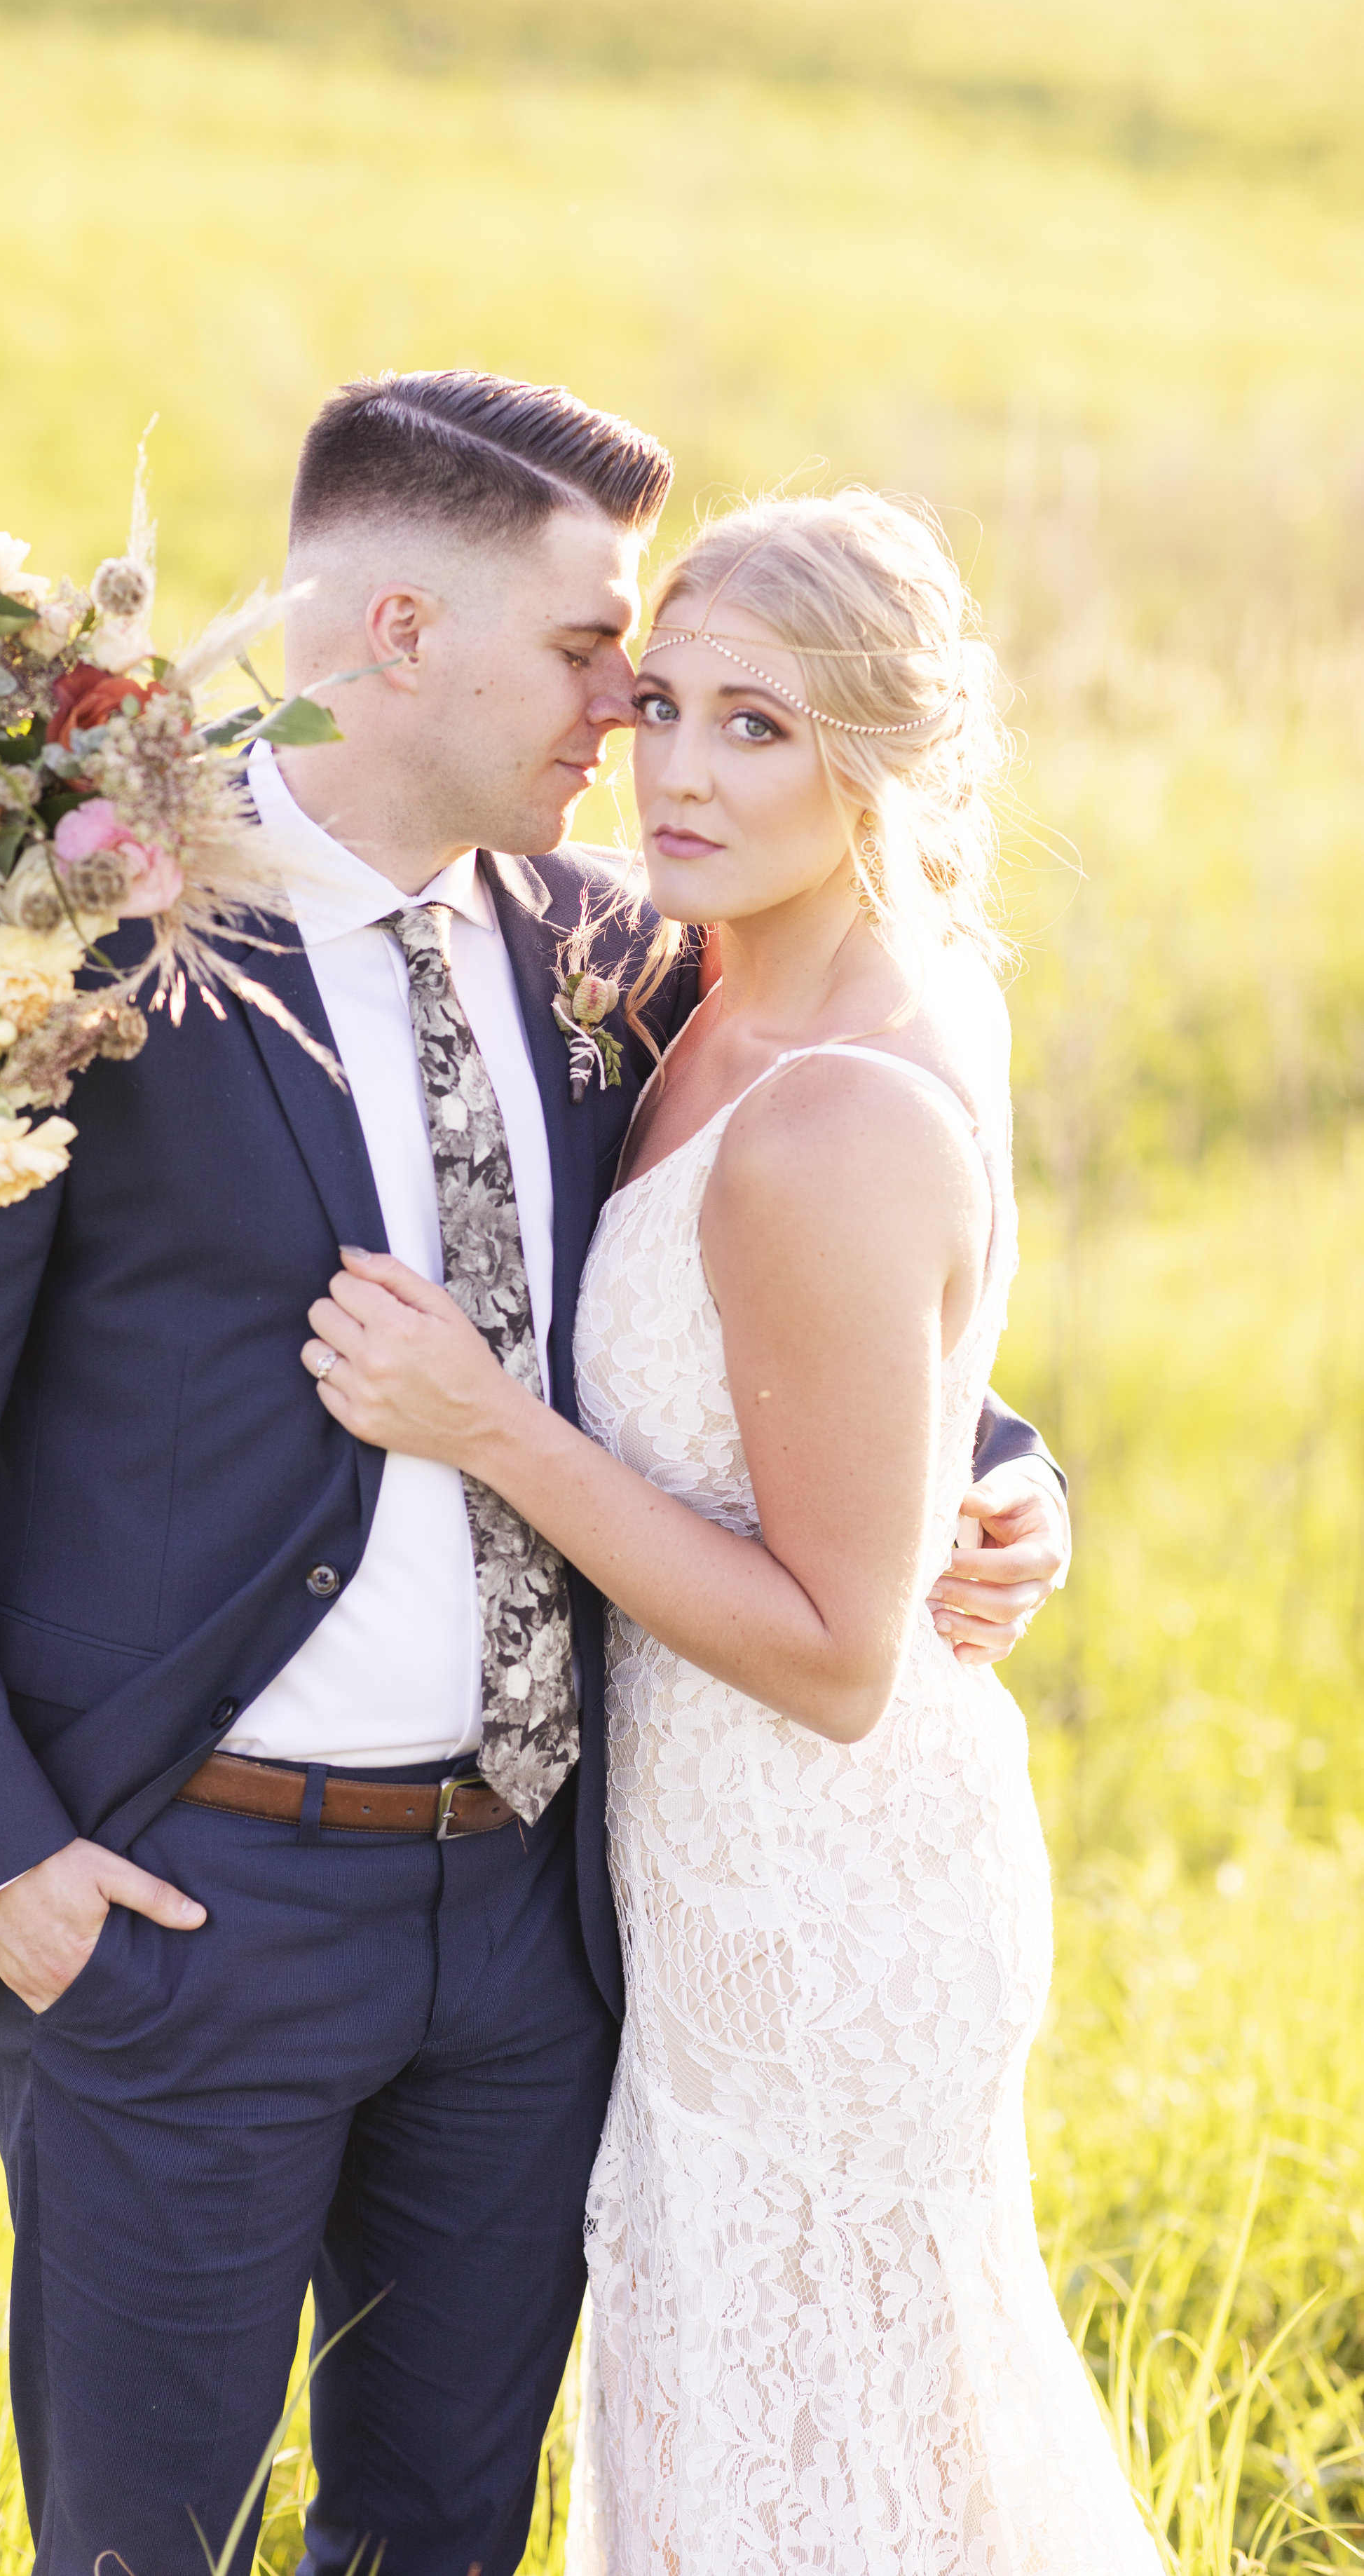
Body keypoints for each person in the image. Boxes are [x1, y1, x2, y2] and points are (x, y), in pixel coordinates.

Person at [0, 379, 1069, 2576]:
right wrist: (4, 1870)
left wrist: (994, 1464)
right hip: (188, 1907)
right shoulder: (52, 949)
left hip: (542, 1927)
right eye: (595, 660)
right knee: (140, 2543)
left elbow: (740, 1277)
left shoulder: (600, 950)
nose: (624, 725)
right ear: (393, 630)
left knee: (444, 2534)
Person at [301, 490, 1153, 2572]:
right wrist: (995, 1466)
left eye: (755, 727)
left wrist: (491, 1429)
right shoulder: (706, 989)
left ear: (881, 761)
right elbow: (856, 1392)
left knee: (815, 2469)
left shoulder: (833, 1098)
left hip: (819, 1894)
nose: (673, 768)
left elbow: (832, 1651)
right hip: (694, 1875)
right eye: (659, 700)